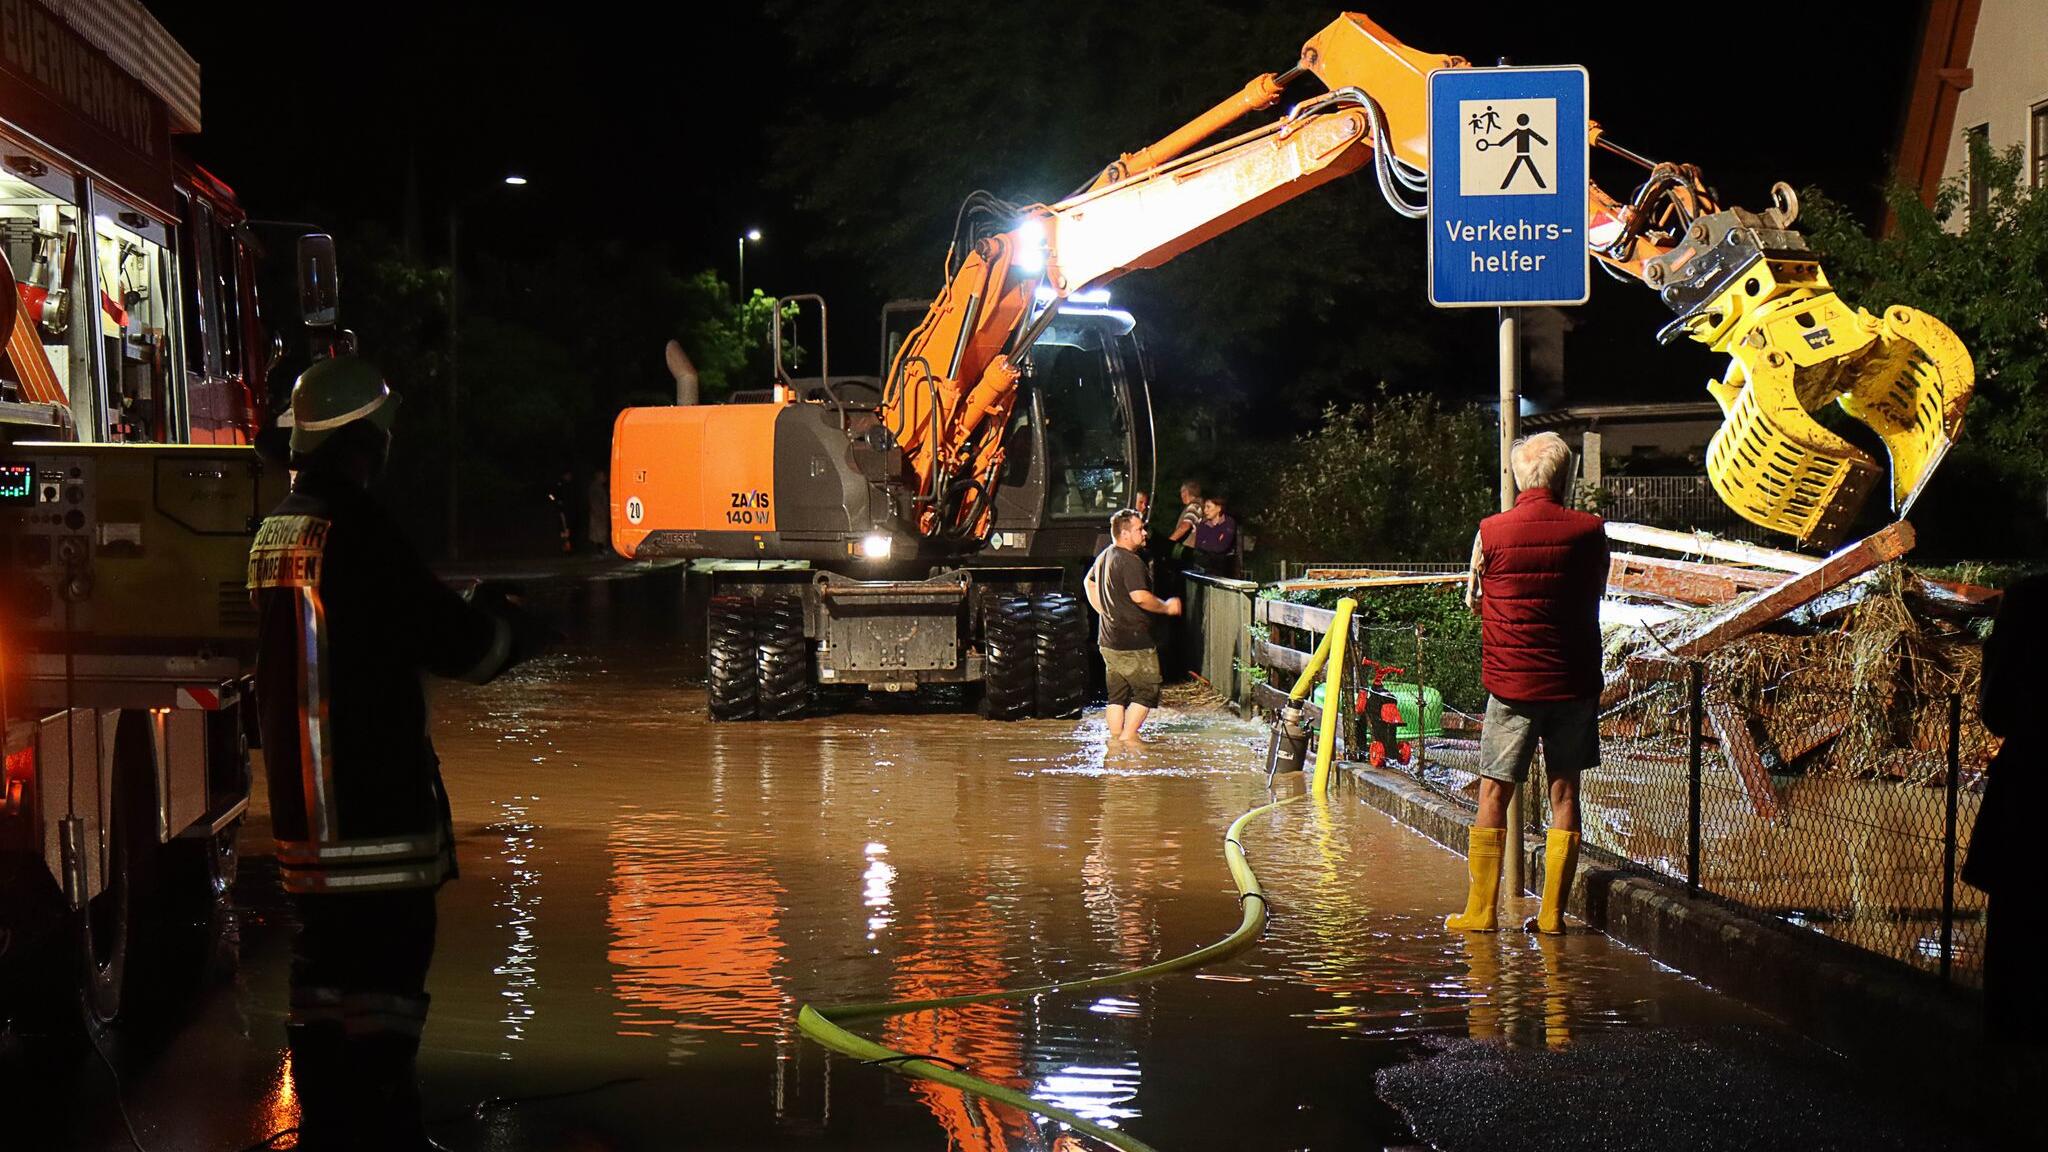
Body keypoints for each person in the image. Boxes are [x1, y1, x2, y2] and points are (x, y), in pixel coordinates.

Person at [249, 356, 548, 1150]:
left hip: (304, 817)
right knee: (386, 986)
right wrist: (516, 629)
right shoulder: (362, 528)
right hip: (376, 810)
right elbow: (459, 646)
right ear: (366, 441)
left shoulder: (277, 528)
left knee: (320, 982)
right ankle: (386, 1132)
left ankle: (329, 1131)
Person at [1449, 431, 1606, 935]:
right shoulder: (1590, 531)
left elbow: (1473, 601)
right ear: (1563, 478)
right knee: (1566, 795)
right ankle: (1553, 915)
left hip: (1511, 685)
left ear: (1519, 477)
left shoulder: (1490, 532)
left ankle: (1481, 912)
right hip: (1572, 681)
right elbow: (1596, 590)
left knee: (1494, 792)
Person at [1963, 570, 2048, 1045]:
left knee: (2015, 945)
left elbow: (1997, 709)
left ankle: (2004, 1081)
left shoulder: (2029, 600)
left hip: (2031, 794)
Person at [1084, 508, 1182, 744]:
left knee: (1116, 696)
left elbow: (1088, 583)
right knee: (1147, 691)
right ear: (1125, 533)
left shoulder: (1105, 555)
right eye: (1139, 529)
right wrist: (1167, 607)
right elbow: (1140, 596)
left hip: (1108, 640)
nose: (1145, 533)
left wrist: (1105, 612)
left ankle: (1115, 743)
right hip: (1134, 640)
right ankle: (1129, 739)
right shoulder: (1130, 561)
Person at [1189, 495, 1239, 577]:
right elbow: (1198, 547)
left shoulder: (1229, 523)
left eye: (1208, 507)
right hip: (1206, 569)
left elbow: (1222, 547)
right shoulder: (1203, 525)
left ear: (1219, 508)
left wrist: (1207, 544)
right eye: (1204, 507)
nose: (1205, 510)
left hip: (1226, 570)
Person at [1164, 480, 1203, 560]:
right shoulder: (1196, 505)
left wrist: (1168, 543)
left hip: (1189, 550)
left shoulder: (1194, 506)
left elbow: (1185, 526)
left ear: (1186, 492)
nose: (1181, 495)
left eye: (1182, 492)